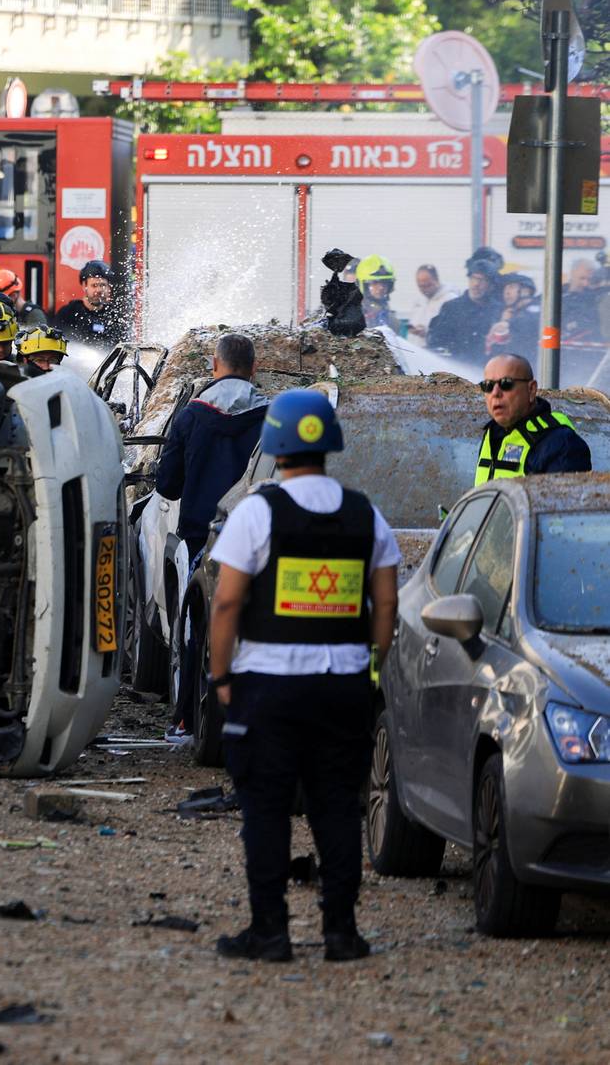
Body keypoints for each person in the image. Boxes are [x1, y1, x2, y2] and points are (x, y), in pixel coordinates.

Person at [208, 389, 399, 963]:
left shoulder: (257, 513)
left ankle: (270, 933)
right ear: (329, 446)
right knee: (337, 807)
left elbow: (225, 605)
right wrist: (369, 668)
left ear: (274, 445)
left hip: (268, 689)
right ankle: (341, 933)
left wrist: (222, 678)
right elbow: (386, 605)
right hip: (343, 688)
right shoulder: (367, 513)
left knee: (265, 810)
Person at [156, 333, 269, 742]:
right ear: (254, 368)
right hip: (257, 539)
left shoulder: (190, 416)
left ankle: (189, 719)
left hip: (202, 536)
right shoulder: (271, 417)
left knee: (197, 628)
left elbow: (167, 485)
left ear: (214, 366)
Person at [475, 353, 591, 484]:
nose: (495, 393)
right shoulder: (492, 434)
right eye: (488, 386)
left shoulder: (561, 443)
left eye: (506, 383)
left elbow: (563, 502)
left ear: (531, 389)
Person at [427, 249, 504, 364]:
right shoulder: (451, 308)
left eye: (482, 280)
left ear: (492, 285)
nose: (476, 284)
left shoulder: (499, 310)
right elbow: (437, 342)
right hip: (459, 373)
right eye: (473, 278)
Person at [54, 260, 121, 348]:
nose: (99, 290)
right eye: (94, 285)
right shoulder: (68, 313)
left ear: (109, 287)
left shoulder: (114, 315)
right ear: (84, 286)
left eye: (103, 285)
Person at [484, 273, 540, 368]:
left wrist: (508, 322)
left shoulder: (536, 310)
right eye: (505, 288)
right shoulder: (505, 313)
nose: (506, 292)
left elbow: (529, 324)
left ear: (526, 291)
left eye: (511, 287)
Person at [407, 264, 460, 343]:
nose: (424, 290)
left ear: (437, 280)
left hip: (436, 352)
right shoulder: (418, 301)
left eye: (427, 285)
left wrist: (428, 333)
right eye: (421, 286)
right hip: (416, 350)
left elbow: (453, 331)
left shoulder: (451, 300)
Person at [562, 259, 602, 345]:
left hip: (588, 349)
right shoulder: (554, 295)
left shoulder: (597, 300)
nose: (585, 283)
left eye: (590, 280)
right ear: (572, 274)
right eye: (582, 278)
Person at [356, 255, 400, 332]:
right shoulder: (352, 316)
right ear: (363, 285)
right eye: (375, 283)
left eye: (384, 283)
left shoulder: (392, 320)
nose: (381, 287)